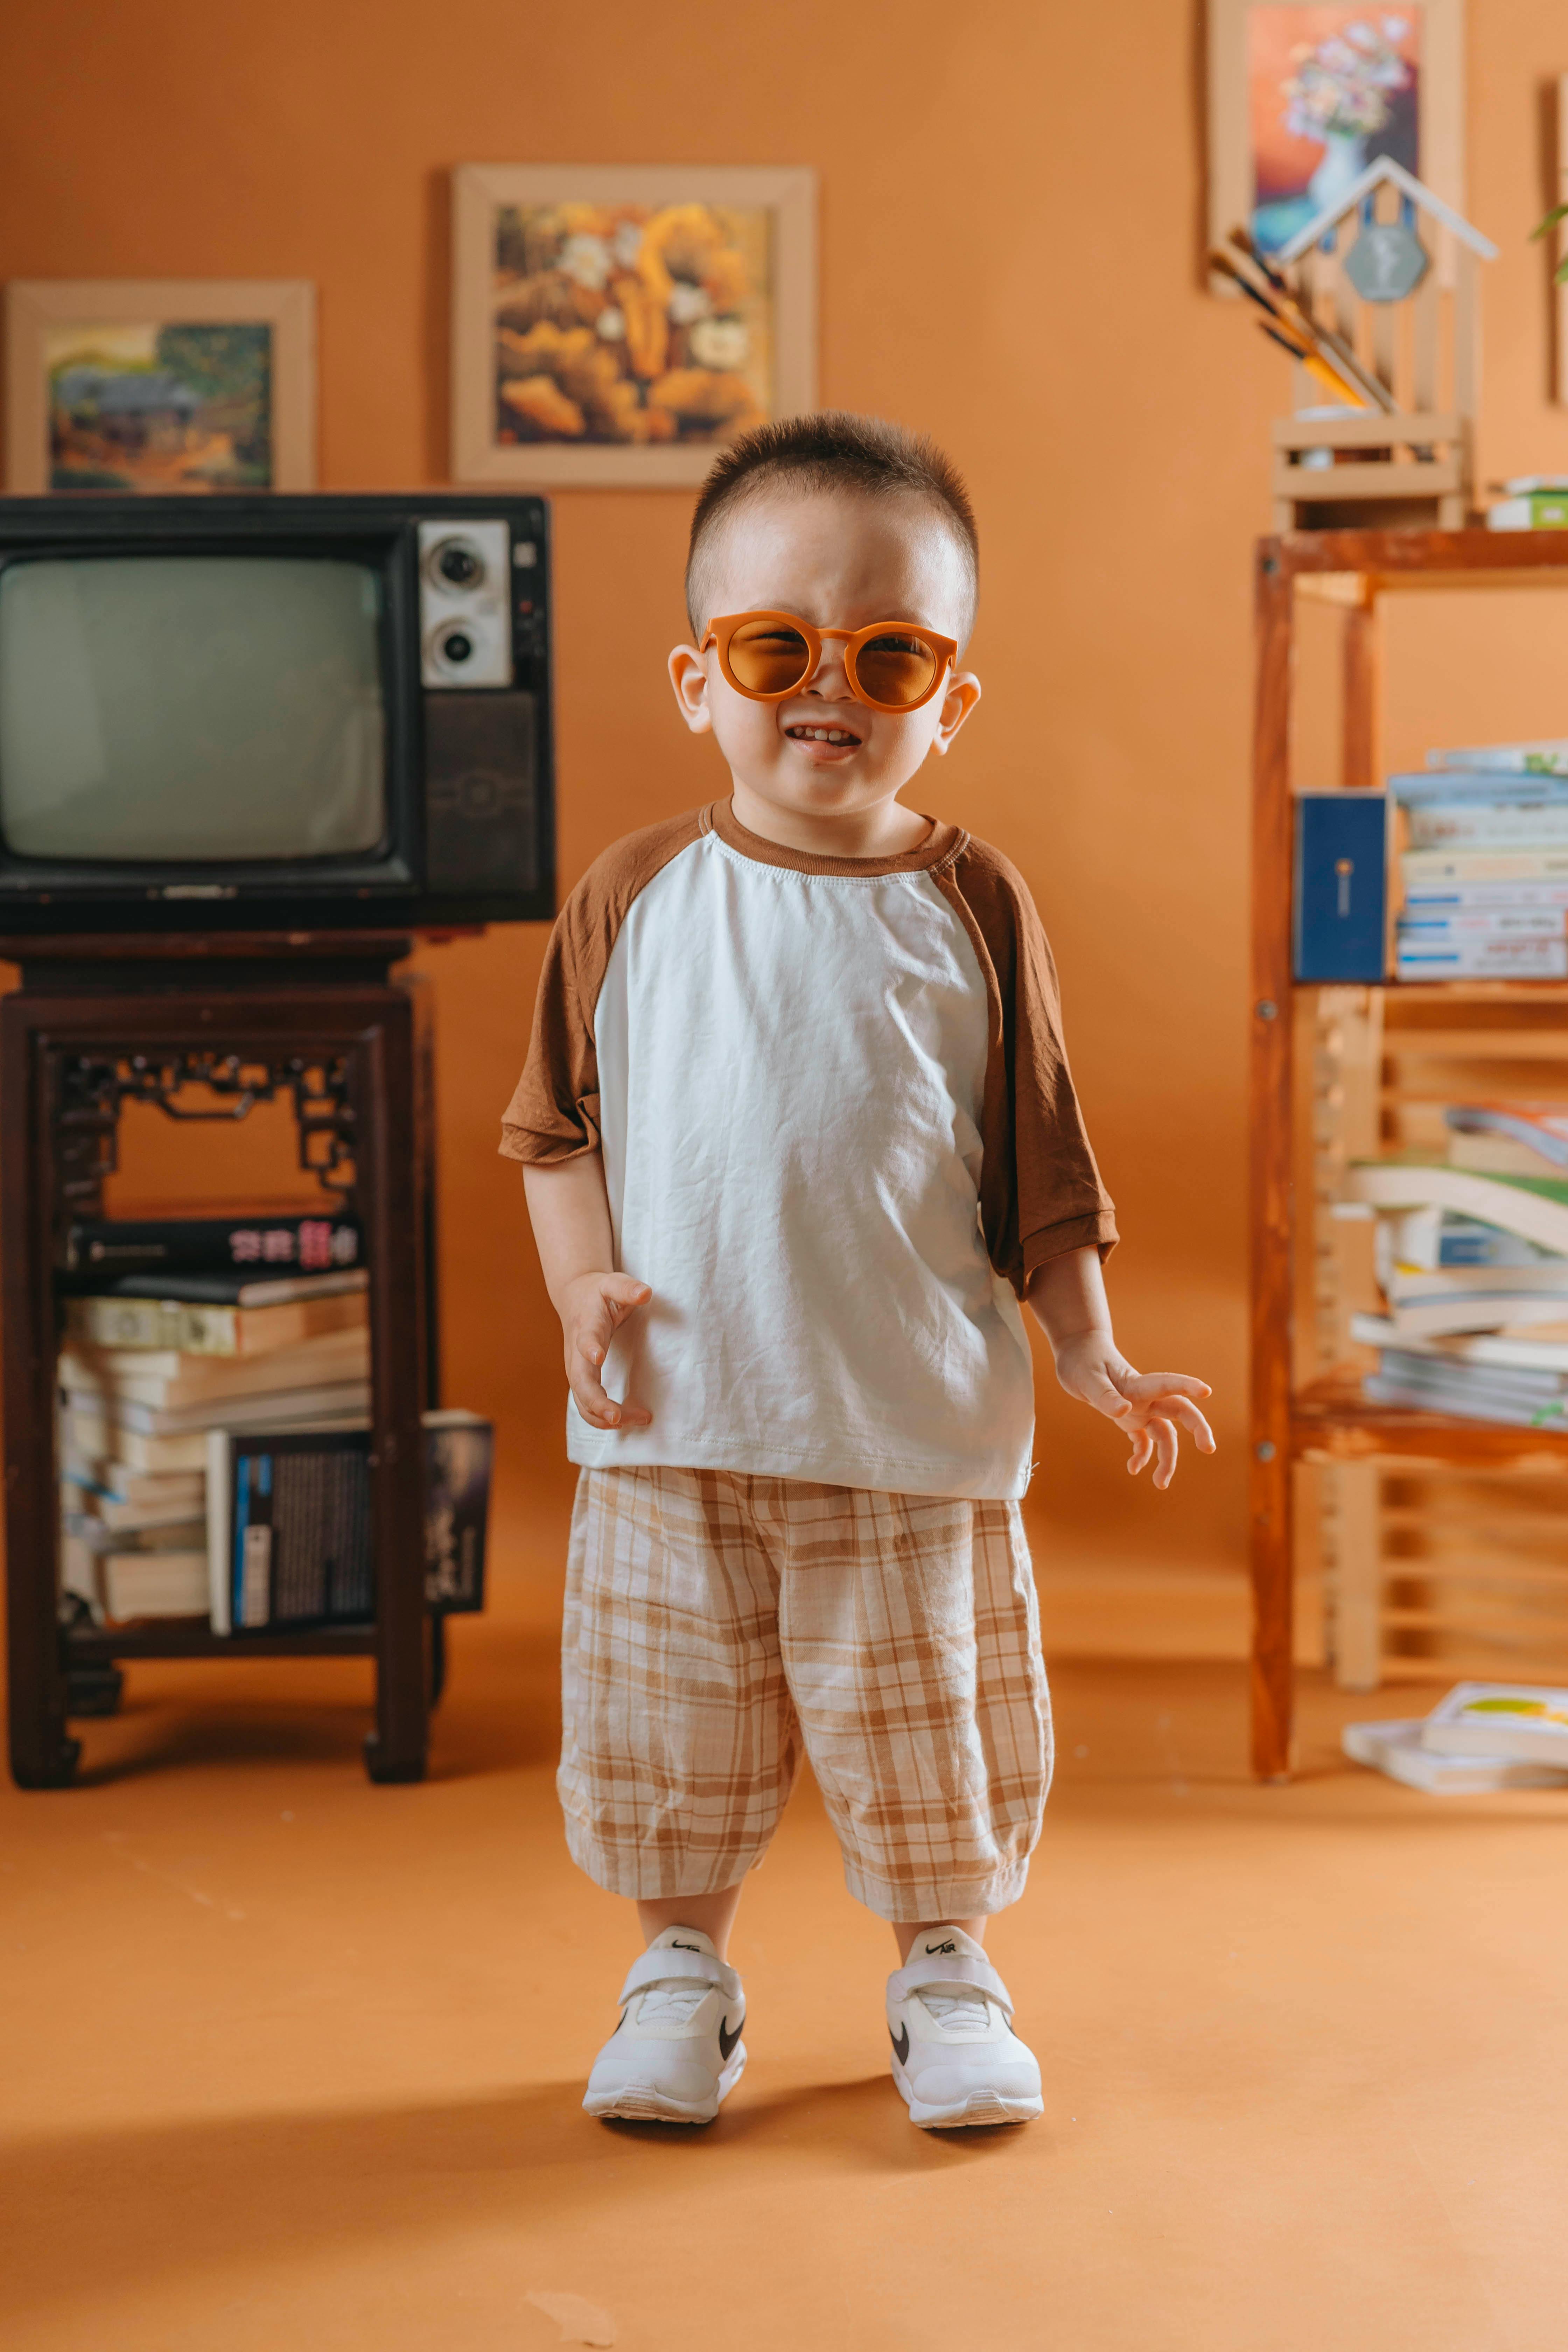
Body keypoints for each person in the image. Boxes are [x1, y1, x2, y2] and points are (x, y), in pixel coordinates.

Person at [500, 412, 1214, 2132]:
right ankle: (679, 1972)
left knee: (928, 1735)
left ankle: (944, 1967)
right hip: (678, 1424)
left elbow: (1038, 1157)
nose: (831, 687)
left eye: (889, 653)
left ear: (948, 696)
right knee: (676, 1735)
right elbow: (553, 1131)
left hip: (903, 1421)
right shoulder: (634, 895)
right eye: (776, 648)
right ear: (699, 678)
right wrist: (581, 1285)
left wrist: (1090, 1347)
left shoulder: (970, 902)